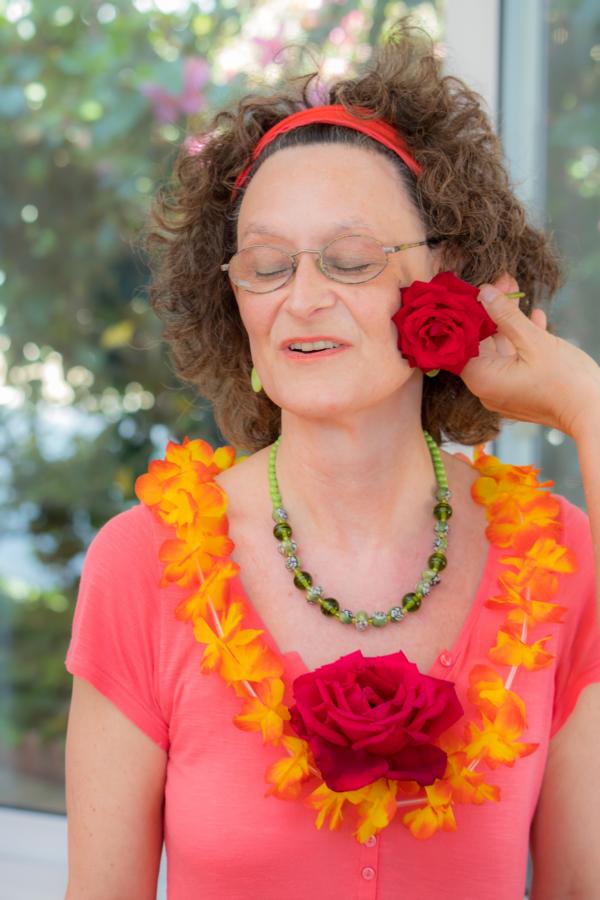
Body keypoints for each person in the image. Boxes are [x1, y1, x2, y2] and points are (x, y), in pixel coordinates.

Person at [63, 24, 600, 900]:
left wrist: (586, 403)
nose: (303, 299)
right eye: (267, 266)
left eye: (350, 261)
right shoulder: (141, 562)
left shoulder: (562, 556)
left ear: (445, 273)